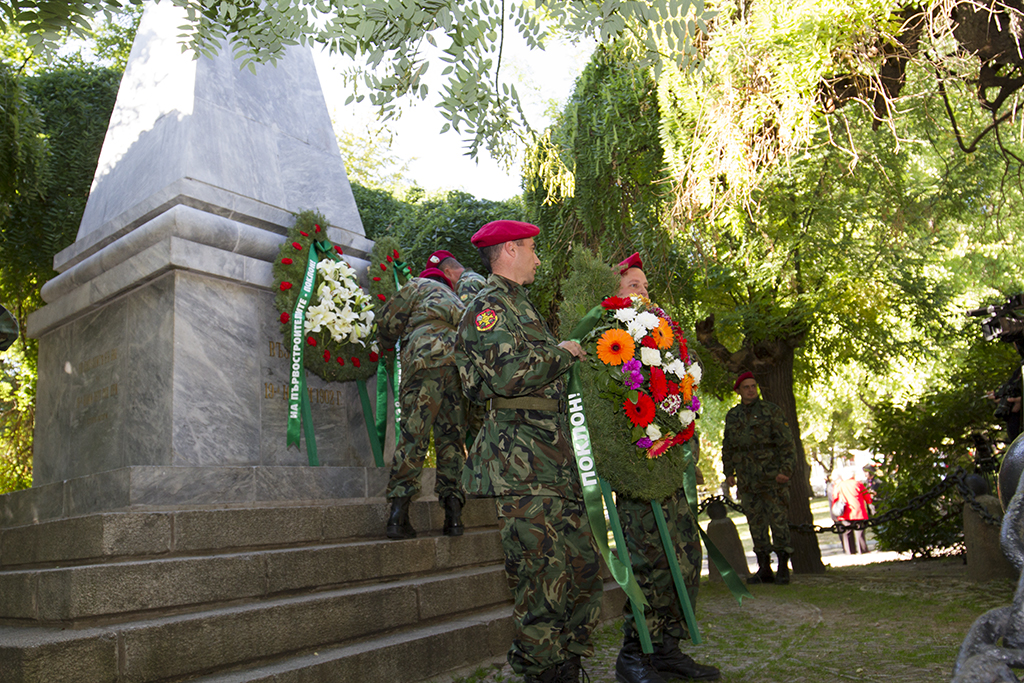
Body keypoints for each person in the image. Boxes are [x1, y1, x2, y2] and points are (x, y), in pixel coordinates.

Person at [455, 219, 601, 683]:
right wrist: (564, 352)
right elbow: (507, 375)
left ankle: (568, 662)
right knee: (540, 575)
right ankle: (542, 670)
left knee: (580, 566)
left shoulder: (521, 305)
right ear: (509, 250)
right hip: (520, 461)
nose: (538, 259)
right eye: (532, 249)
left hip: (552, 457)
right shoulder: (488, 308)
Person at [609, 254, 721, 683]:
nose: (643, 292)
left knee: (686, 557)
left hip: (669, 468)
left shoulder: (662, 339)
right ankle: (635, 654)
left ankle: (667, 648)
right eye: (633, 285)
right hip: (637, 473)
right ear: (615, 294)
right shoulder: (611, 340)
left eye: (645, 285)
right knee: (648, 563)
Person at [378, 265, 467, 539]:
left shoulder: (417, 285)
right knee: (451, 440)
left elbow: (389, 320)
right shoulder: (458, 301)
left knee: (414, 433)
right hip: (456, 368)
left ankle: (398, 516)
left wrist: (384, 345)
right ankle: (453, 517)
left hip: (424, 360)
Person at [722, 372, 796, 585]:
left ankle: (783, 567)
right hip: (747, 480)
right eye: (746, 387)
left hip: (772, 477)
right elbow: (728, 445)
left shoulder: (771, 411)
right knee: (756, 524)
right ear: (738, 391)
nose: (751, 390)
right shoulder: (733, 416)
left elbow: (787, 443)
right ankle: (764, 568)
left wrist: (785, 470)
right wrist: (729, 472)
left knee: (778, 521)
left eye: (753, 386)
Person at [832, 468, 872, 554]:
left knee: (847, 532)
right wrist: (870, 502)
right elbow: (866, 495)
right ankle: (862, 549)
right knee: (859, 532)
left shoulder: (839, 485)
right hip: (858, 511)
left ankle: (850, 551)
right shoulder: (858, 483)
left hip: (845, 512)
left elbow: (835, 498)